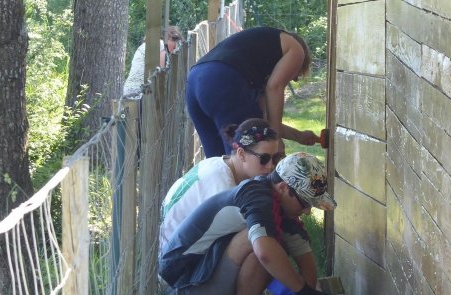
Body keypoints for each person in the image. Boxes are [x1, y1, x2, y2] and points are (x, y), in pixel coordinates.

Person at [159, 152, 340, 295]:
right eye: (305, 203)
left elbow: (304, 255)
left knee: (270, 242)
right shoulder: (256, 196)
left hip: (195, 290)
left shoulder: (275, 201)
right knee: (265, 245)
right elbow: (265, 253)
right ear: (283, 188)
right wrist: (306, 293)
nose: (308, 211)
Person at [186, 26, 320, 157]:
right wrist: (275, 141)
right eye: (297, 73)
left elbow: (263, 120)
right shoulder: (296, 50)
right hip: (224, 80)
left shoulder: (256, 57)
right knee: (246, 161)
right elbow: (275, 87)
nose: (295, 79)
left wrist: (299, 136)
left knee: (217, 165)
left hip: (194, 81)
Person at [159, 118, 281, 246]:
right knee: (256, 235)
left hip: (174, 243)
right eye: (264, 158)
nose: (271, 166)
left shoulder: (219, 163)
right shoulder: (223, 186)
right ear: (241, 154)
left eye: (275, 158)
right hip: (177, 256)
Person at [123, 26, 184, 98]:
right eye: (174, 47)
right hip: (138, 90)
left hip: (130, 89)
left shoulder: (153, 43)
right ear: (170, 38)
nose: (173, 51)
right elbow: (162, 74)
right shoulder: (160, 45)